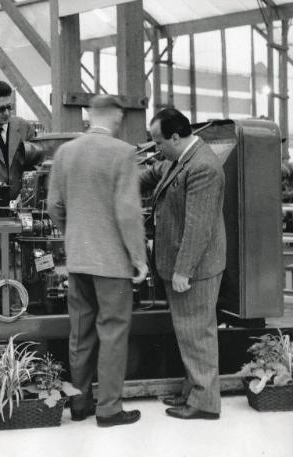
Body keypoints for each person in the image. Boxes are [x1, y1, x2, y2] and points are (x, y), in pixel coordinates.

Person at [47, 95, 148, 427]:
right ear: (117, 116)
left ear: (89, 115)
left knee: (80, 331)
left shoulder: (66, 152)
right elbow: (129, 212)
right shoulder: (123, 153)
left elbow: (54, 207)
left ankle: (79, 403)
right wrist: (139, 258)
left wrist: (74, 235)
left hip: (78, 259)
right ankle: (109, 409)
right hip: (113, 264)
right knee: (113, 332)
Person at [140, 108, 226, 420]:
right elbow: (152, 174)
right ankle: (193, 392)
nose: (155, 147)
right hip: (183, 264)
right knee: (189, 333)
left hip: (196, 269)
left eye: (157, 141)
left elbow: (198, 227)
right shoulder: (179, 159)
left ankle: (204, 403)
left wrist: (183, 270)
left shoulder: (203, 167)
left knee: (198, 334)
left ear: (176, 137)